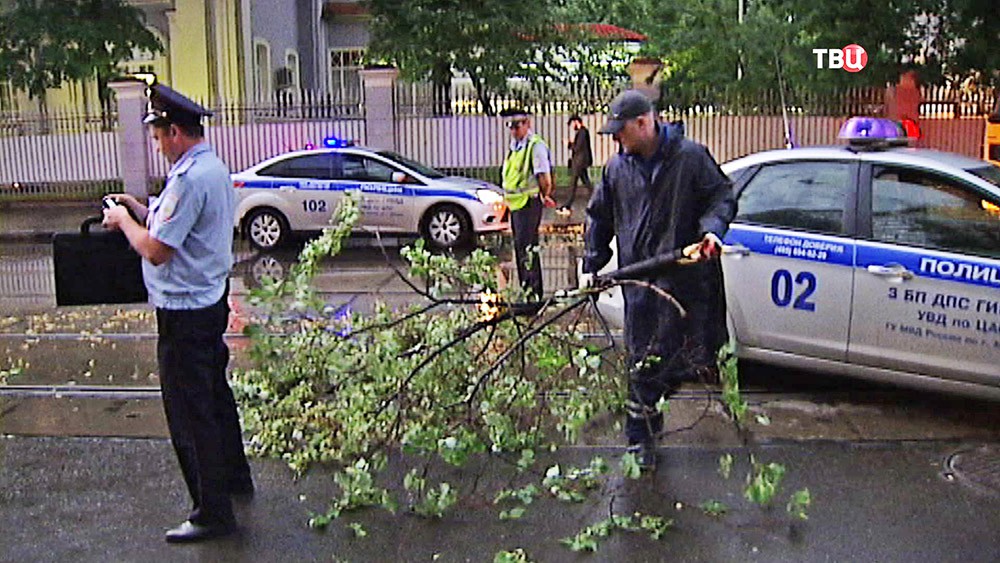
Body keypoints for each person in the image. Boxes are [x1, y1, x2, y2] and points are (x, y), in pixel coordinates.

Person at [102, 83, 253, 543]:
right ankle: (233, 479)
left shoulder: (188, 178)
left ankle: (212, 513)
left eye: (157, 136)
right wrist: (139, 208)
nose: (156, 145)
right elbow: (176, 225)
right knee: (214, 396)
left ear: (174, 132)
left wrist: (123, 222)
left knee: (191, 413)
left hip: (185, 311)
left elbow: (157, 250)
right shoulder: (209, 168)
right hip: (207, 300)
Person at [581, 90, 736, 470]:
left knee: (681, 361)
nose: (616, 139)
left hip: (684, 285)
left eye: (621, 131)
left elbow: (721, 196)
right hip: (641, 287)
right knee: (641, 364)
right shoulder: (618, 169)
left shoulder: (691, 158)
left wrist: (712, 231)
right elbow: (599, 217)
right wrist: (592, 263)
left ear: (644, 123)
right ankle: (640, 441)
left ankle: (651, 419)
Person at [500, 108, 555, 301]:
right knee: (521, 249)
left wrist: (545, 194)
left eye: (517, 125)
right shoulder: (515, 146)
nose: (514, 130)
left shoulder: (534, 146)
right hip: (517, 205)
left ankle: (533, 294)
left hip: (529, 203)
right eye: (511, 126)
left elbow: (544, 177)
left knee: (528, 249)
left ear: (527, 124)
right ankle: (527, 291)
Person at [556, 114, 593, 217]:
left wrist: (568, 143)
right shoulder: (582, 132)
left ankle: (567, 206)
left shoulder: (582, 132)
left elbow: (577, 148)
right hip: (580, 162)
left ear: (577, 122)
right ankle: (597, 200)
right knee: (586, 183)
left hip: (579, 163)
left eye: (572, 124)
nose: (572, 126)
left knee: (573, 184)